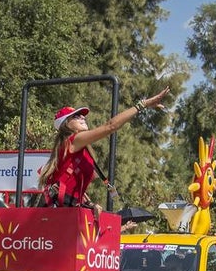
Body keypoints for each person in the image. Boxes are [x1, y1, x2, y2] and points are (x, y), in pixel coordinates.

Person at [37, 87, 171, 209]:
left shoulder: (82, 149)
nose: (83, 117)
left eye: (83, 115)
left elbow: (74, 186)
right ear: (66, 124)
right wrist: (143, 104)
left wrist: (90, 204)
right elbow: (110, 126)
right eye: (76, 116)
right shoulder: (73, 140)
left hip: (68, 206)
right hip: (57, 207)